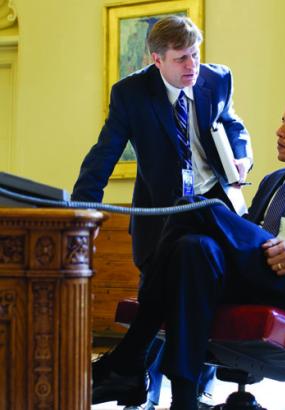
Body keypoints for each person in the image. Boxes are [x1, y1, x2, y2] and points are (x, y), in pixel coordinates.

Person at [90, 92, 285, 409]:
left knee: (194, 206)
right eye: (281, 121)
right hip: (252, 274)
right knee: (194, 249)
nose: (279, 131)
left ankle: (131, 358)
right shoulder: (274, 180)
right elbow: (245, 232)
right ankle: (183, 400)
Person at [71, 15, 252, 408]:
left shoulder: (216, 80)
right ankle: (149, 385)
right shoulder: (131, 94)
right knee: (178, 278)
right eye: (181, 59)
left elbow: (234, 125)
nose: (192, 66)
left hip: (215, 207)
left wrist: (241, 156)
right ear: (157, 59)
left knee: (199, 287)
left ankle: (138, 369)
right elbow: (104, 155)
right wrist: (81, 213)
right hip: (161, 216)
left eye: (195, 55)